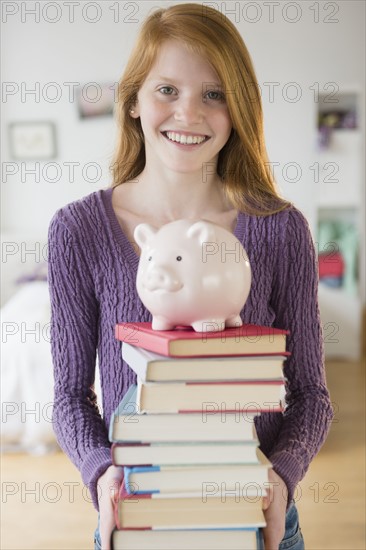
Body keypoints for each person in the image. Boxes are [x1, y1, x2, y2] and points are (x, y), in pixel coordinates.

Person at [48, 4, 333, 550]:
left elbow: (311, 395)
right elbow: (68, 397)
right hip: (136, 517)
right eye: (167, 90)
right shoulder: (78, 230)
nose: (189, 114)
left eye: (214, 94)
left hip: (257, 518)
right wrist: (102, 474)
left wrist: (281, 477)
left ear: (238, 108)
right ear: (132, 101)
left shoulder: (281, 229)